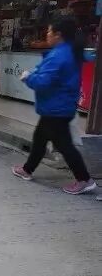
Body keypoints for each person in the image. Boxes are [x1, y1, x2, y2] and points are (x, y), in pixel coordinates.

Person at [12, 16, 96, 195]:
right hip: (59, 106)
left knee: (64, 145)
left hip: (56, 108)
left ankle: (84, 179)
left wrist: (28, 77)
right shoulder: (68, 51)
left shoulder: (59, 55)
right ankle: (27, 169)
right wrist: (35, 73)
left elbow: (43, 82)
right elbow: (47, 72)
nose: (47, 35)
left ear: (58, 34)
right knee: (40, 138)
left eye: (49, 32)